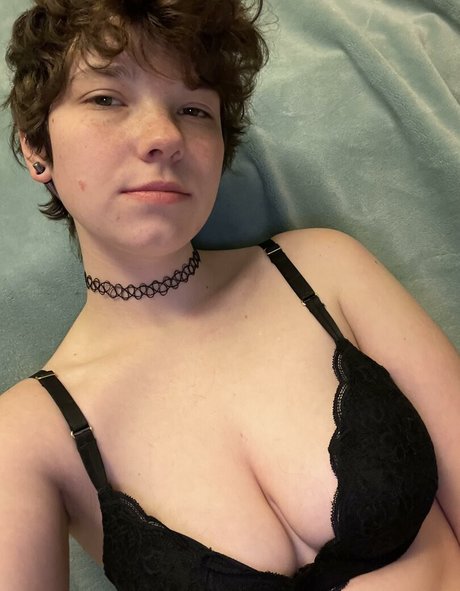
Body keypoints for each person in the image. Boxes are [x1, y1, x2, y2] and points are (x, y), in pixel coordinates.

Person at [1, 0, 459, 589]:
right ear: (37, 148)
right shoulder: (30, 435)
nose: (164, 137)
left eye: (194, 109)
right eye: (107, 99)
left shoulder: (323, 271)